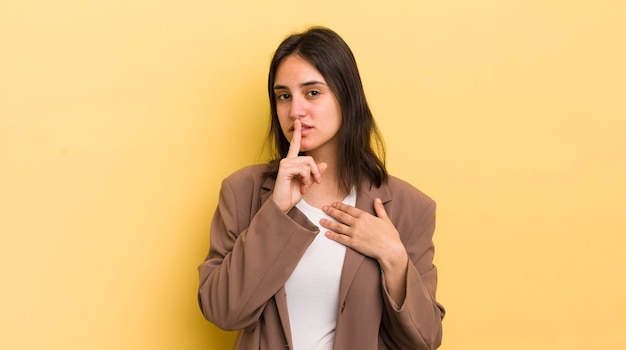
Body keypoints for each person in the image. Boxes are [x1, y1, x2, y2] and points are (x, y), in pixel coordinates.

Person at [197, 26, 444, 350]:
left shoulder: (410, 207)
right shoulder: (242, 192)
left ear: (346, 96)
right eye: (284, 95)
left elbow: (425, 340)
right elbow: (222, 312)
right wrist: (275, 212)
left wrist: (394, 258)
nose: (295, 111)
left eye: (312, 92)